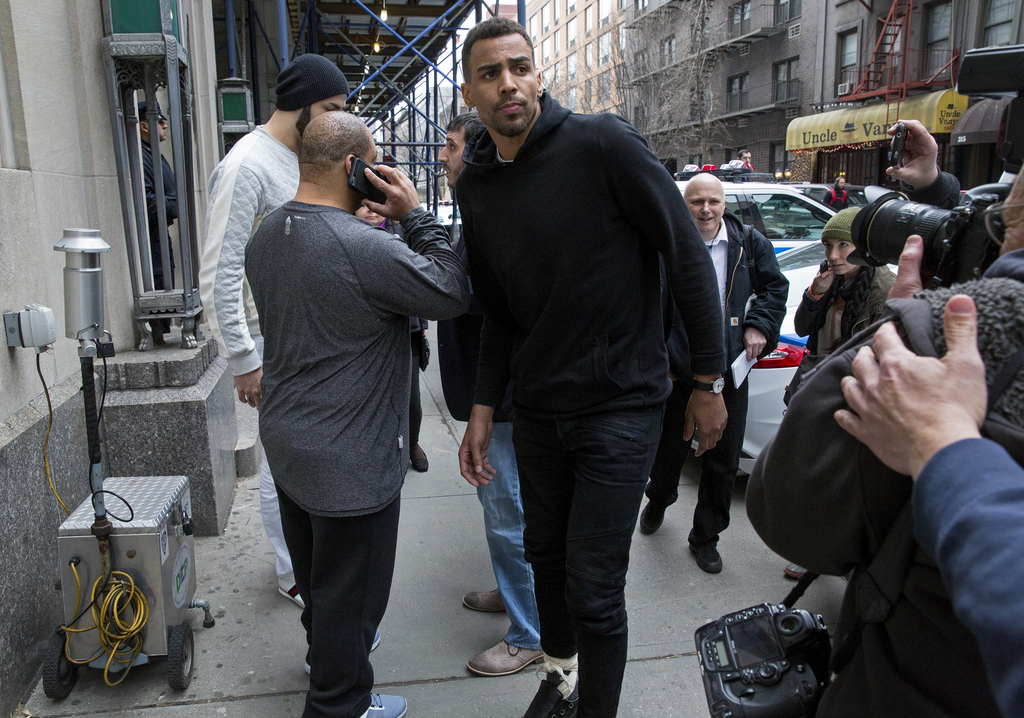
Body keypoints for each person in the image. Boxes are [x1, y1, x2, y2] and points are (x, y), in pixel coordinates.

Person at [456, 18, 727, 718]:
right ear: (471, 92)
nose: (508, 83)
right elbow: (498, 312)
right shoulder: (479, 185)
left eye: (519, 66)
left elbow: (688, 258)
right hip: (541, 411)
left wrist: (706, 381)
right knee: (544, 560)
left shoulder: (603, 144)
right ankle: (562, 677)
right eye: (490, 73)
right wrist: (483, 408)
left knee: (594, 586)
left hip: (621, 406)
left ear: (538, 75)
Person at [744, 141, 1024, 718]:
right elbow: (802, 323)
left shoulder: (956, 331)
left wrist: (907, 328)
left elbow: (787, 509)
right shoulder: (830, 281)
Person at [245, 111, 470, 718]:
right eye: (372, 162)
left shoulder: (267, 235)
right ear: (354, 168)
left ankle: (334, 673)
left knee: (322, 590)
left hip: (290, 446)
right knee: (353, 600)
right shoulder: (360, 244)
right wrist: (414, 214)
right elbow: (450, 289)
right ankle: (339, 703)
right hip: (350, 463)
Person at [198, 54, 348, 610]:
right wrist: (243, 358)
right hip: (271, 340)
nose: (336, 121)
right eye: (330, 109)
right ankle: (293, 573)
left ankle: (304, 564)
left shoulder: (293, 156)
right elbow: (218, 271)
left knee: (298, 456)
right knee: (278, 463)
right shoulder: (248, 166)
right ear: (303, 103)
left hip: (306, 337)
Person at [435, 111, 544, 677]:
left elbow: (468, 298)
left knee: (508, 513)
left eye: (450, 147)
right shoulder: (473, 213)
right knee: (504, 511)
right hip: (491, 396)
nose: (442, 157)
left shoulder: (492, 217)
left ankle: (529, 633)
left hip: (502, 400)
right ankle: (513, 591)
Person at [639, 174, 788, 574]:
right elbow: (647, 305)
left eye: (714, 201)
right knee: (669, 451)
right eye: (697, 201)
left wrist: (759, 325)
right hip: (677, 370)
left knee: (722, 460)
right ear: (684, 205)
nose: (706, 209)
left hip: (729, 372)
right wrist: (661, 361)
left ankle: (705, 537)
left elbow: (775, 290)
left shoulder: (750, 245)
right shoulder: (666, 244)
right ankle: (658, 499)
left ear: (725, 205)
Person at [795, 207, 896, 356]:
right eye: (828, 246)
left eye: (843, 244)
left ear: (863, 246)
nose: (833, 256)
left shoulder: (886, 290)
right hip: (820, 372)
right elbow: (801, 329)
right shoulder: (829, 278)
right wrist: (814, 294)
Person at [139, 100, 178, 344]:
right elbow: (147, 200)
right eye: (159, 121)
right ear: (144, 125)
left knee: (165, 277)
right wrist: (171, 203)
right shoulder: (142, 155)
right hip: (153, 233)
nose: (165, 125)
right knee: (158, 279)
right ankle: (157, 333)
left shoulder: (152, 153)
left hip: (160, 232)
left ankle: (162, 330)